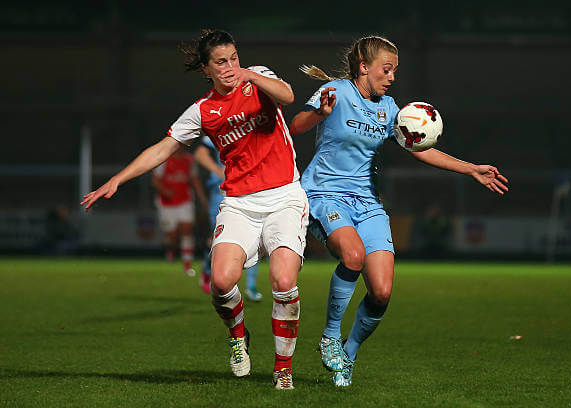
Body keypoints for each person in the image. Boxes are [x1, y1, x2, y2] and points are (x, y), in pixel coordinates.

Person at [81, 29, 309, 390]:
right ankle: (238, 336)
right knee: (220, 282)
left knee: (283, 281)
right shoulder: (204, 110)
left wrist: (251, 74)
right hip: (239, 203)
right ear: (206, 69)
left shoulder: (258, 77)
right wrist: (118, 179)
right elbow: (163, 148)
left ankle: (283, 368)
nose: (231, 66)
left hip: (284, 196)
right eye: (221, 62)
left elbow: (288, 95)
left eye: (234, 58)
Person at [289, 35, 509, 387]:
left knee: (382, 291)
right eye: (386, 69)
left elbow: (418, 148)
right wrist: (318, 113)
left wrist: (470, 169)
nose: (392, 77)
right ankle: (330, 336)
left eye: (395, 71)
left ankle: (349, 354)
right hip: (325, 194)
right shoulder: (337, 92)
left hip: (368, 202)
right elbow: (293, 127)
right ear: (364, 67)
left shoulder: (391, 108)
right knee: (353, 255)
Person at [194, 136, 263, 301]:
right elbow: (200, 153)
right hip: (223, 192)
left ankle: (251, 286)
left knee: (255, 236)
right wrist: (218, 171)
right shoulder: (225, 123)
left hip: (251, 190)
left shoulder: (260, 123)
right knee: (218, 238)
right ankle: (208, 268)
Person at [152, 146, 207, 276]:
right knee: (172, 236)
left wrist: (203, 198)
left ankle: (187, 265)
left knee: (186, 230)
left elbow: (194, 179)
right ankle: (171, 250)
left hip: (185, 201)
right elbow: (155, 179)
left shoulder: (189, 159)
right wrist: (165, 190)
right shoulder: (164, 159)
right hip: (167, 203)